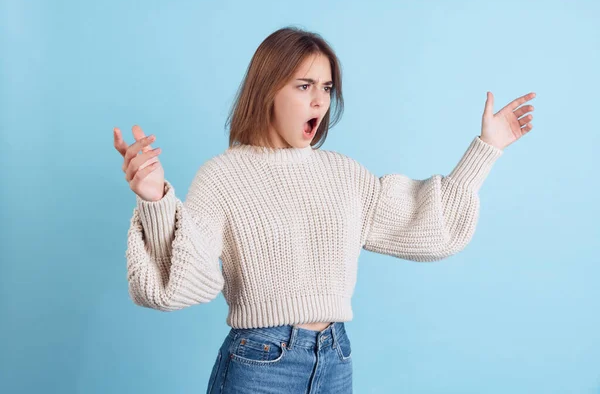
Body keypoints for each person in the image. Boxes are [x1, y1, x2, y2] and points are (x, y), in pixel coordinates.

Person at [112, 26, 535, 394]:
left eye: (327, 88)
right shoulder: (224, 175)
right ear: (268, 90)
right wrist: (154, 199)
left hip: (335, 359)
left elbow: (424, 223)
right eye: (303, 85)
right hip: (260, 364)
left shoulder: (343, 174)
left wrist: (487, 149)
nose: (319, 101)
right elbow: (185, 277)